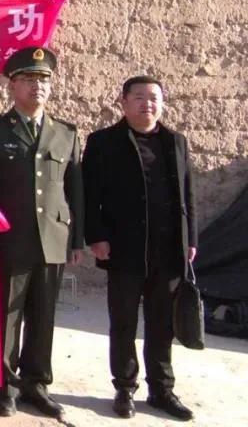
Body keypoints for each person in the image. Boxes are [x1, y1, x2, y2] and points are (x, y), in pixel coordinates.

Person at [0, 47, 84, 419]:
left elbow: (75, 190)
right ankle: (5, 385)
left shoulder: (65, 133)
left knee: (44, 314)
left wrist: (77, 240)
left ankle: (37, 383)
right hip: (9, 237)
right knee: (8, 314)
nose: (38, 86)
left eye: (44, 80)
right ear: (12, 85)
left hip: (53, 237)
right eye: (30, 79)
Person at [83, 75, 197, 421]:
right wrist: (95, 236)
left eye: (154, 98)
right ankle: (124, 387)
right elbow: (90, 194)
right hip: (124, 249)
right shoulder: (104, 142)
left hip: (169, 249)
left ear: (162, 103)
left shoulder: (175, 142)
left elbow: (187, 194)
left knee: (162, 324)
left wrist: (191, 239)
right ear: (124, 102)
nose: (148, 104)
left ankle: (162, 390)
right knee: (123, 321)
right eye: (139, 97)